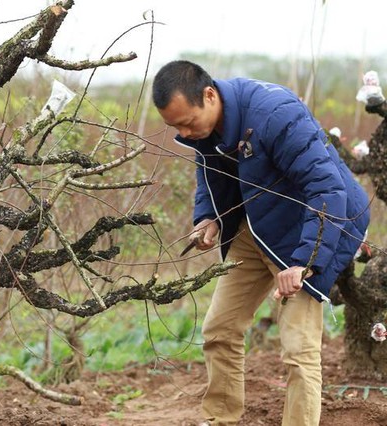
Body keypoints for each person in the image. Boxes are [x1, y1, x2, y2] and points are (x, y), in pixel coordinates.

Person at [152, 60, 370, 426]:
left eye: (187, 123)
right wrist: (209, 218)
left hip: (311, 227)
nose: (185, 134)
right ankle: (221, 417)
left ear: (209, 95)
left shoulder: (276, 114)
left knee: (298, 350)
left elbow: (328, 190)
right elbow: (209, 172)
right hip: (257, 227)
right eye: (175, 127)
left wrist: (304, 262)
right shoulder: (204, 129)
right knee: (219, 329)